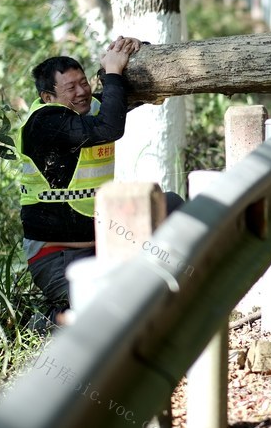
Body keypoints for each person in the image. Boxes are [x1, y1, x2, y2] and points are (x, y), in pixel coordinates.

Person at [15, 36, 182, 324]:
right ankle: (49, 321)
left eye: (84, 82)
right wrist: (114, 73)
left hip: (102, 242)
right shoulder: (45, 122)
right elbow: (110, 126)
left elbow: (125, 96)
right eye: (71, 87)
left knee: (172, 205)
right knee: (104, 316)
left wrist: (132, 50)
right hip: (60, 257)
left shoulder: (86, 109)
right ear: (48, 97)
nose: (82, 92)